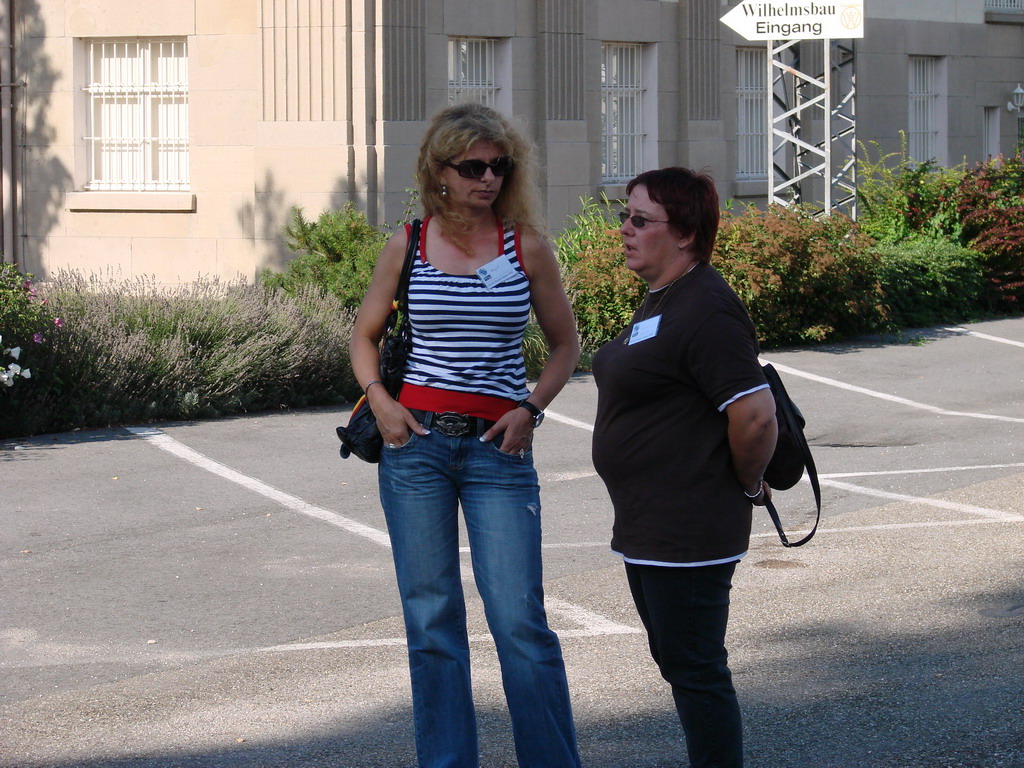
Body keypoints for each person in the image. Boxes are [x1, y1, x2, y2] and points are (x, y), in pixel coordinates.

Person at [349, 103, 582, 768]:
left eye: (498, 166)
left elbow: (566, 345)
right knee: (432, 625)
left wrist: (531, 408)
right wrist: (380, 401)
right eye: (473, 167)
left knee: (519, 622)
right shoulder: (408, 243)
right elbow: (364, 337)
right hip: (415, 449)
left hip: (497, 451)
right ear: (440, 172)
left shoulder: (524, 245)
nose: (488, 179)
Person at [591, 167, 778, 768]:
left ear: (686, 233)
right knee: (681, 663)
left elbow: (755, 416)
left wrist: (747, 481)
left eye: (641, 219)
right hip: (652, 525)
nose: (625, 229)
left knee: (695, 669)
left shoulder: (706, 308)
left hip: (688, 528)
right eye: (625, 215)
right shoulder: (668, 298)